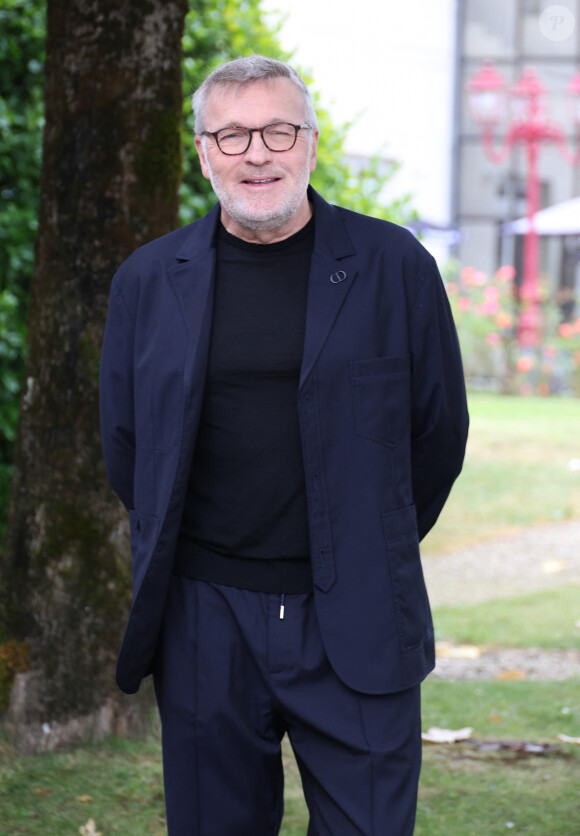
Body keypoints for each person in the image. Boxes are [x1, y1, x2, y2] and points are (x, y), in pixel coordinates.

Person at [100, 55, 469, 836]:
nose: (257, 153)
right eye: (232, 135)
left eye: (277, 130)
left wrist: (369, 545)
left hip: (359, 617)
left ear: (309, 142)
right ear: (204, 152)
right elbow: (130, 448)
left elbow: (438, 436)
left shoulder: (393, 266)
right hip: (204, 621)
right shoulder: (146, 281)